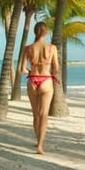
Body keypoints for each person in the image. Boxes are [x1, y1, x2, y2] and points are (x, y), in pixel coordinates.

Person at [20, 22, 60, 155]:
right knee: (44, 115)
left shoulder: (28, 48)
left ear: (34, 32)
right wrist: (52, 75)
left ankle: (38, 141)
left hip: (32, 80)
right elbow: (56, 68)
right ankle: (40, 146)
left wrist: (30, 71)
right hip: (46, 81)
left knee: (36, 115)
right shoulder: (52, 48)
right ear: (46, 32)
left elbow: (21, 69)